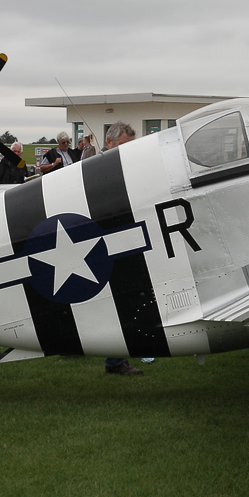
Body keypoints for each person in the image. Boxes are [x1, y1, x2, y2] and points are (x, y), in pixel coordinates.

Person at [100, 122, 144, 375]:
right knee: (120, 302)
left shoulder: (122, 166)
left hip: (120, 241)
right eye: (123, 145)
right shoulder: (103, 170)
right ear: (110, 143)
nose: (128, 151)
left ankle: (116, 359)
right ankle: (116, 361)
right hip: (111, 244)